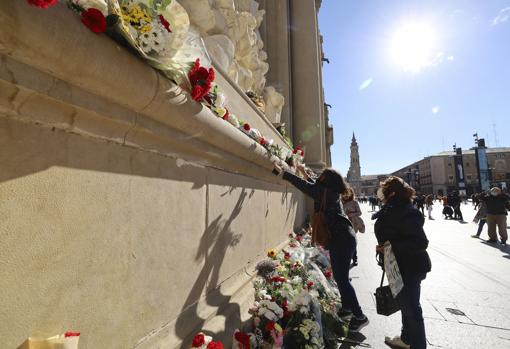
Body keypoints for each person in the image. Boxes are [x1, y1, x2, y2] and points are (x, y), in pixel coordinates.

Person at [273, 163, 369, 332]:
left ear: (327, 181)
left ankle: (360, 316)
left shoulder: (325, 192)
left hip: (342, 240)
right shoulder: (329, 192)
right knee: (341, 278)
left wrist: (284, 173)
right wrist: (304, 172)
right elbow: (314, 185)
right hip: (343, 238)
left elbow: (307, 187)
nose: (319, 179)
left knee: (343, 280)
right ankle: (347, 309)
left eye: (322, 177)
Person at [373, 176, 431, 349]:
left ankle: (419, 346)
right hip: (396, 265)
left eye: (383, 188)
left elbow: (421, 242)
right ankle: (406, 340)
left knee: (412, 309)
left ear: (391, 192)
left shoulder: (406, 211)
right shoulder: (393, 208)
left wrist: (391, 247)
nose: (380, 191)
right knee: (406, 306)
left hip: (409, 267)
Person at [341, 187, 365, 266]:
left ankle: (355, 259)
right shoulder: (341, 202)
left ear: (351, 193)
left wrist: (351, 214)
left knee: (352, 241)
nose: (346, 195)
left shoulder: (354, 202)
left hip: (353, 224)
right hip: (343, 225)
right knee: (345, 243)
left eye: (348, 193)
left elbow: (360, 212)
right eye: (344, 193)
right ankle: (347, 258)